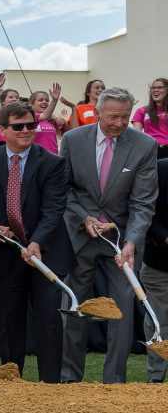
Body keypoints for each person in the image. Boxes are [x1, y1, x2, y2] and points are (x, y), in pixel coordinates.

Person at [61, 87, 158, 383]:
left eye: (125, 117)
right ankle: (69, 378)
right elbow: (63, 189)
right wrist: (83, 217)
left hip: (121, 242)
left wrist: (130, 242)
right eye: (113, 117)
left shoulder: (144, 145)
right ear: (98, 112)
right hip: (80, 236)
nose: (119, 123)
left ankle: (115, 381)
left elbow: (142, 202)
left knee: (123, 310)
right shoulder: (72, 139)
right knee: (75, 306)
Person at [0, 103, 74, 383]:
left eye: (31, 125)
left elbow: (55, 209)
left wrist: (37, 242)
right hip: (6, 254)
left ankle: (50, 386)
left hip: (47, 254)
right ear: (2, 129)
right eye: (18, 126)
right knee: (9, 322)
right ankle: (11, 383)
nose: (27, 130)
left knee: (49, 323)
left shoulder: (53, 162)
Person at [140, 158, 168, 382]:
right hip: (160, 263)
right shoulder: (159, 169)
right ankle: (156, 378)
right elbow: (143, 209)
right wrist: (165, 237)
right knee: (158, 322)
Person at [132, 78, 168, 160]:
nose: (155, 90)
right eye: (153, 88)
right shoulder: (142, 111)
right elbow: (137, 135)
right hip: (151, 150)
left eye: (159, 87)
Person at [28, 84, 64, 154]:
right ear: (32, 104)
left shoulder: (52, 120)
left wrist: (64, 123)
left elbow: (65, 134)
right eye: (40, 100)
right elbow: (45, 115)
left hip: (53, 156)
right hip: (37, 156)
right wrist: (54, 100)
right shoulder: (31, 117)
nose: (44, 102)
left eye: (47, 100)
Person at [0, 73, 21, 149]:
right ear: (3, 101)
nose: (14, 99)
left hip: (16, 144)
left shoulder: (21, 115)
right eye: (11, 97)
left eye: (17, 97)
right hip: (0, 145)